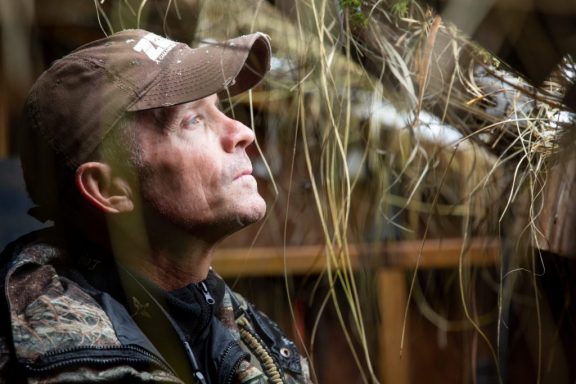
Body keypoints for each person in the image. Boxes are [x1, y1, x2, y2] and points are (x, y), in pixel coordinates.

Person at [0, 29, 312, 383]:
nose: (242, 131)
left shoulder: (239, 325)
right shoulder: (59, 350)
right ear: (109, 188)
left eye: (219, 109)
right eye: (193, 121)